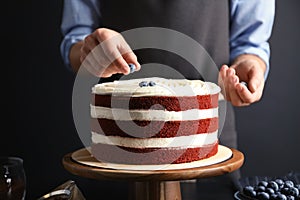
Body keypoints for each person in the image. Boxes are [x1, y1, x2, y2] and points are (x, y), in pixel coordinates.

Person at [60, 0, 275, 198]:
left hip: (208, 148)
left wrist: (248, 66)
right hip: (114, 151)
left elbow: (249, 43)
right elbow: (76, 39)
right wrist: (88, 51)